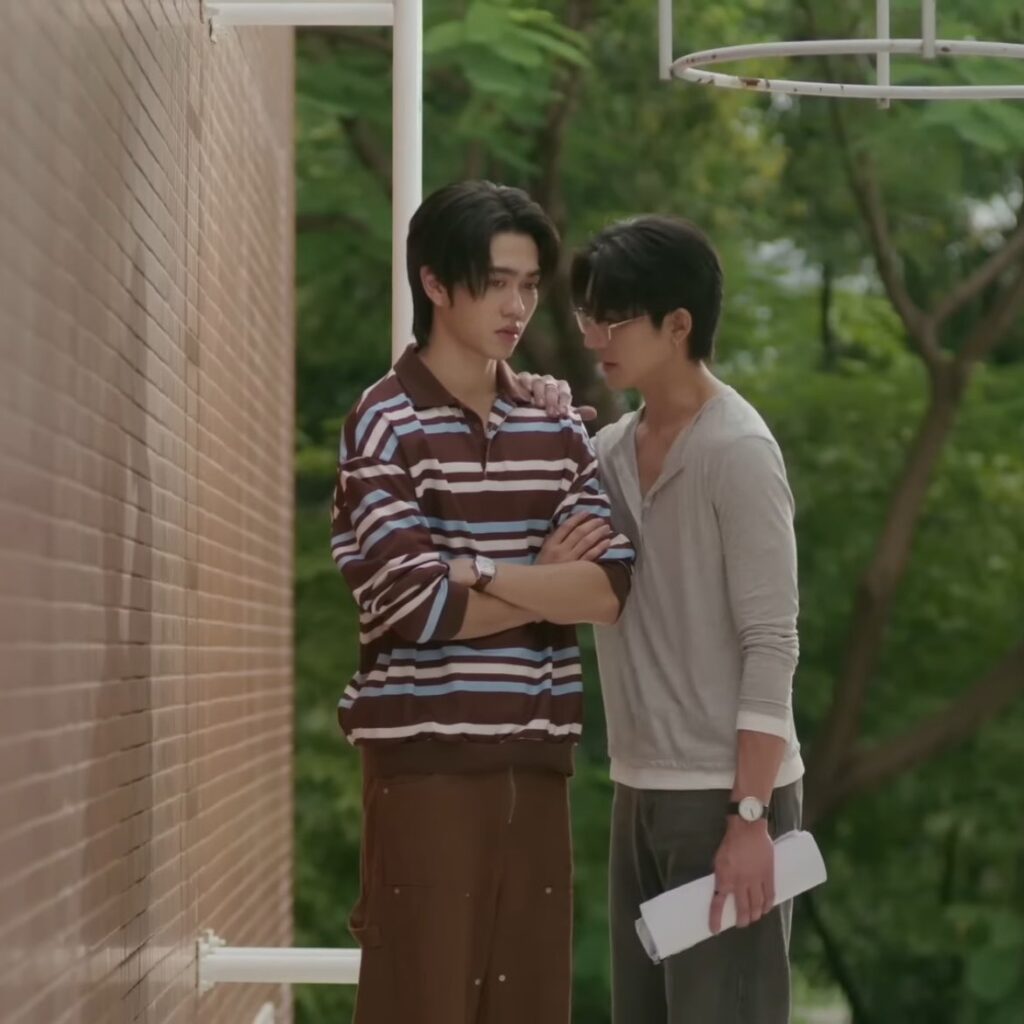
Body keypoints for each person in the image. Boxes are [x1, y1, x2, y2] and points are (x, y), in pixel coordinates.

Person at [329, 180, 636, 1024]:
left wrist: (478, 573)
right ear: (434, 282)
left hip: (538, 767)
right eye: (497, 282)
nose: (517, 306)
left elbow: (609, 589)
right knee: (418, 1005)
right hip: (424, 768)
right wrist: (539, 579)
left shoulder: (556, 425)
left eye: (528, 285)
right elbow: (416, 607)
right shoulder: (383, 424)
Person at [518, 215, 803, 1024]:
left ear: (679, 325)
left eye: (613, 320)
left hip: (726, 796)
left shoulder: (738, 450)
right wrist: (532, 403)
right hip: (638, 788)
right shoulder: (608, 452)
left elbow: (772, 641)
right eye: (588, 317)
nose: (593, 337)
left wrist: (749, 817)